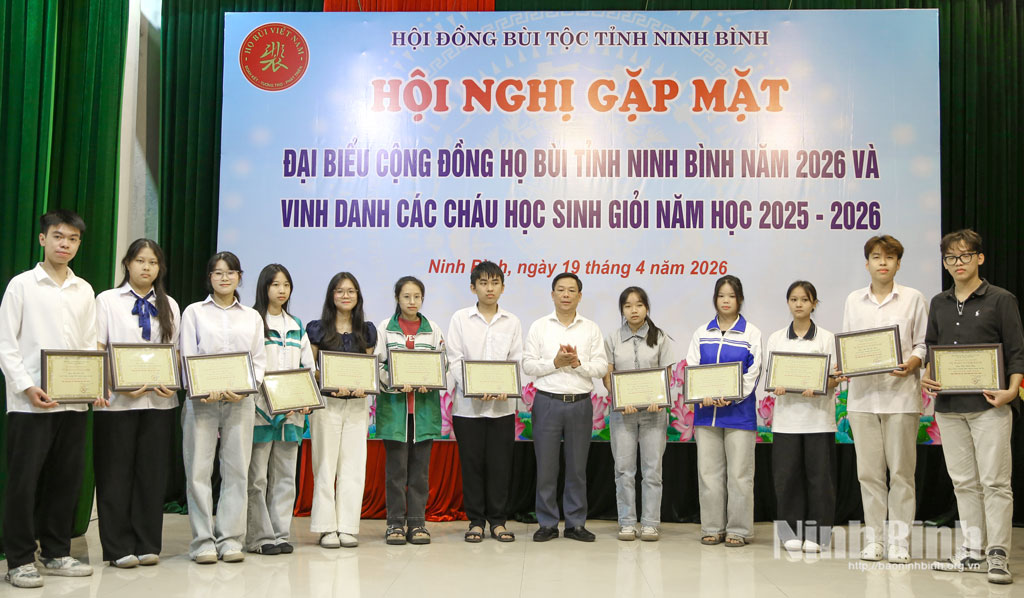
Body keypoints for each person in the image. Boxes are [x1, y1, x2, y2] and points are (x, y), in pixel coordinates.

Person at [0, 210, 98, 588]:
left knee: (65, 478)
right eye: (58, 236)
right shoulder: (22, 286)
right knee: (24, 482)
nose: (65, 244)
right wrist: (26, 386)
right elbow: (7, 344)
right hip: (30, 403)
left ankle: (56, 552)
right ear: (43, 239)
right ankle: (19, 559)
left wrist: (92, 386)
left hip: (73, 402)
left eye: (72, 239)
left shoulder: (84, 289)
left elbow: (89, 344)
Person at [922, 229, 1023, 584]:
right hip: (949, 407)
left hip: (991, 406)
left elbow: (1016, 352)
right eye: (951, 257)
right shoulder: (939, 302)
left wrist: (1012, 392)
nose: (958, 262)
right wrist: (928, 375)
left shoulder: (1001, 299)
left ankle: (998, 554)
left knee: (995, 482)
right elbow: (932, 348)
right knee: (963, 482)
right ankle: (972, 550)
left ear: (980, 258)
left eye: (965, 255)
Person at [840, 235, 927, 563]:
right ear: (867, 263)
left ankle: (900, 542)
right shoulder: (853, 300)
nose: (883, 263)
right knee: (869, 474)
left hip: (901, 398)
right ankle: (875, 539)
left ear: (898, 264)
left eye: (889, 257)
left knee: (902, 473)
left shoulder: (913, 298)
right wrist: (846, 363)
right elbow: (848, 344)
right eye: (876, 257)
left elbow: (923, 343)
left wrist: (913, 363)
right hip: (862, 399)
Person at [94, 239, 180, 568]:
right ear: (127, 264)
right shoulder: (107, 300)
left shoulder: (170, 304)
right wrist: (116, 384)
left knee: (151, 474)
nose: (146, 267)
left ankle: (147, 543)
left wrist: (170, 383)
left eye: (153, 262)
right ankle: (117, 547)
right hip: (117, 403)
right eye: (140, 260)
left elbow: (175, 352)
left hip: (158, 403)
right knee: (114, 473)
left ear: (160, 268)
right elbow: (98, 348)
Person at [180, 251, 267, 563]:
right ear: (210, 278)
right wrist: (199, 387)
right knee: (198, 472)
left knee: (236, 471)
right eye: (218, 272)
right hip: (201, 402)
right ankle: (203, 541)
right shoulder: (194, 312)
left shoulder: (252, 316)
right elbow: (186, 355)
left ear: (239, 277)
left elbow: (258, 360)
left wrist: (245, 388)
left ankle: (230, 539)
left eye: (230, 272)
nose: (224, 277)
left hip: (240, 402)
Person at [523, 272, 608, 542]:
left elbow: (601, 367)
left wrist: (577, 364)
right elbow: (528, 364)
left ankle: (575, 524)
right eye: (561, 290)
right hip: (547, 402)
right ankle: (547, 523)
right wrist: (555, 363)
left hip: (579, 404)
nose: (566, 295)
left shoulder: (591, 328)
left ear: (580, 296)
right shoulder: (539, 326)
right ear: (552, 294)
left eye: (572, 290)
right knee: (546, 468)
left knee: (577, 468)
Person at [446, 260, 523, 543]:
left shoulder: (512, 321)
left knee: (500, 466)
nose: (489, 288)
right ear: (473, 287)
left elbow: (516, 359)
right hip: (468, 409)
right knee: (472, 466)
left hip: (502, 408)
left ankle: (498, 522)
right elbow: (455, 358)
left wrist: (506, 387)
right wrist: (473, 388)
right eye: (483, 283)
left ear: (503, 287)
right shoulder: (460, 319)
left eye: (495, 283)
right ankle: (476, 522)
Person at [686, 275, 762, 547]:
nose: (726, 300)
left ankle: (739, 530)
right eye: (721, 295)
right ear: (715, 299)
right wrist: (702, 394)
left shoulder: (751, 333)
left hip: (739, 415)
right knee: (709, 474)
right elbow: (692, 368)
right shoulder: (702, 332)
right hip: (706, 415)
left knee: (740, 476)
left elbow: (753, 372)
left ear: (739, 299)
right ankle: (712, 527)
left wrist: (731, 397)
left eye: (731, 295)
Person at [765, 281, 838, 553]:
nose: (799, 304)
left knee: (820, 479)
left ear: (814, 304)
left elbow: (835, 378)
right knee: (787, 479)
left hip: (819, 419)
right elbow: (772, 377)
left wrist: (820, 384)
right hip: (786, 420)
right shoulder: (776, 338)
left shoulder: (826, 338)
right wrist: (776, 386)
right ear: (788, 303)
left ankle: (819, 535)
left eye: (805, 300)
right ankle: (790, 533)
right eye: (794, 299)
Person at [246, 264, 314, 555]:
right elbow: (248, 365)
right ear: (264, 287)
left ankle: (279, 533)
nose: (281, 290)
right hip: (259, 410)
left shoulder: (296, 324)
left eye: (286, 284)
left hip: (291, 413)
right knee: (257, 477)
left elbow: (307, 367)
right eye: (275, 284)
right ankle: (258, 537)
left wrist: (304, 398)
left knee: (286, 476)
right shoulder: (252, 320)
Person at [308, 272, 376, 549]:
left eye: (351, 291)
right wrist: (327, 380)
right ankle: (326, 528)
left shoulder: (367, 330)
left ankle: (347, 527)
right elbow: (311, 370)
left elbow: (369, 368)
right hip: (327, 405)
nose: (345, 296)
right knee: (325, 466)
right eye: (339, 291)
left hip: (357, 405)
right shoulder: (317, 329)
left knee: (353, 466)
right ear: (331, 295)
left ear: (358, 296)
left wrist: (364, 386)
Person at [374, 276, 445, 545]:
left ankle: (417, 523)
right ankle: (394, 524)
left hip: (423, 410)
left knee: (420, 473)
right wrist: (395, 381)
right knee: (396, 472)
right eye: (406, 296)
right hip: (395, 411)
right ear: (397, 298)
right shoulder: (385, 328)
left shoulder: (433, 329)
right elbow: (377, 364)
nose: (412, 301)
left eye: (417, 297)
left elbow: (443, 364)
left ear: (422, 299)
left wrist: (430, 380)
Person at [602, 286, 673, 542]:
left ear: (647, 308)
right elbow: (608, 376)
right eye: (628, 305)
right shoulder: (612, 338)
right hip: (623, 414)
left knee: (652, 470)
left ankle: (651, 523)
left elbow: (667, 375)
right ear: (622, 310)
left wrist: (659, 399)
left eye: (639, 305)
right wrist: (621, 399)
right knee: (624, 470)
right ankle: (627, 522)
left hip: (654, 414)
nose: (634, 310)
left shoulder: (661, 337)